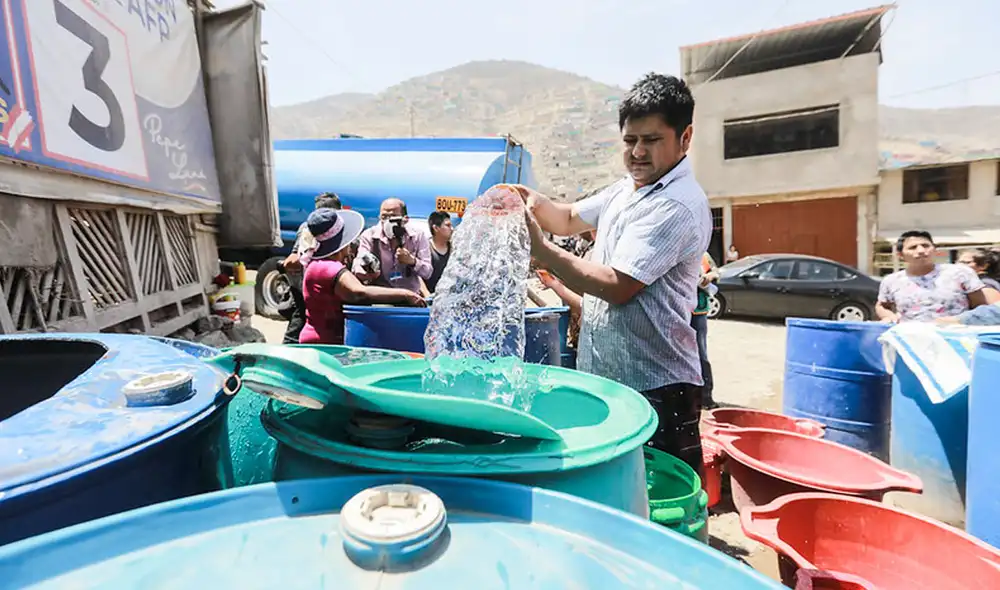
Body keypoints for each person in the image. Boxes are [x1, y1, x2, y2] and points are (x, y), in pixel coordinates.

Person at [514, 72, 711, 476]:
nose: (637, 152)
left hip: (658, 387)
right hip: (613, 377)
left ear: (685, 138)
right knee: (620, 491)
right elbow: (567, 217)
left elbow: (616, 286)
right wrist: (531, 201)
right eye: (630, 140)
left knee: (661, 502)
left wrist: (542, 251)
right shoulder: (629, 188)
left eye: (651, 140)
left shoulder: (676, 205)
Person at [299, 208, 424, 345]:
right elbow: (358, 292)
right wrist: (405, 294)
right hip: (326, 341)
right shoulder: (329, 267)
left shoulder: (317, 265)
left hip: (317, 337)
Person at [876, 230, 987, 323]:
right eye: (913, 247)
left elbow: (981, 307)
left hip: (956, 339)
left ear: (934, 250)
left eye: (925, 246)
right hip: (911, 340)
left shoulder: (960, 273)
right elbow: (882, 306)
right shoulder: (891, 281)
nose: (921, 251)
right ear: (900, 255)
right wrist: (889, 317)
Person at [278, 192, 342, 344]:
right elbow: (293, 260)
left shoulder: (316, 226)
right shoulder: (309, 228)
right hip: (308, 289)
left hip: (320, 287)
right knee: (299, 324)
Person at [353, 198, 432, 294]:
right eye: (384, 217)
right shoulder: (369, 235)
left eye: (393, 217)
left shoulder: (418, 236)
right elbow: (358, 264)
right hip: (380, 296)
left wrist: (412, 261)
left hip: (410, 297)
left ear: (405, 219)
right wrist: (367, 271)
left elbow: (427, 272)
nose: (387, 221)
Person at [692, 252, 719, 409]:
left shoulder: (704, 255)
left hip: (698, 311)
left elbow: (716, 272)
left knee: (701, 354)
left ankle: (706, 397)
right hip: (678, 309)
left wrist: (709, 277)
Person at [425, 211, 453, 292]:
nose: (452, 229)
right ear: (436, 228)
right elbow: (417, 275)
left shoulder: (455, 248)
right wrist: (427, 295)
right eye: (448, 225)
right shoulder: (425, 248)